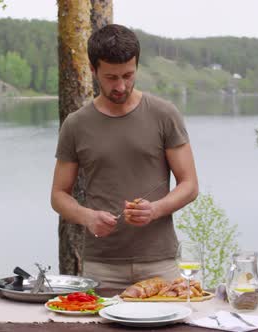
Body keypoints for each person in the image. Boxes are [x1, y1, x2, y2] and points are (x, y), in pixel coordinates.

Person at [50, 24, 199, 289]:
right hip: (101, 265)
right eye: (111, 77)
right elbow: (59, 195)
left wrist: (155, 210)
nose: (121, 86)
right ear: (94, 71)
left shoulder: (164, 114)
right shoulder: (75, 125)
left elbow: (189, 185)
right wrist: (87, 217)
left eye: (128, 75)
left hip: (160, 262)